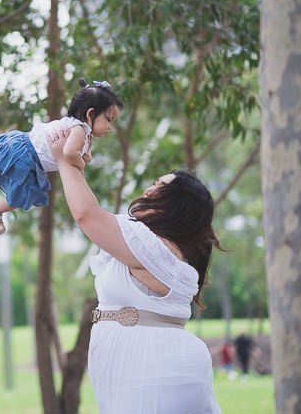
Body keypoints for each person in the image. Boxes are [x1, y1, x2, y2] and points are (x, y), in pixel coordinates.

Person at [48, 127, 222, 413]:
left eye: (159, 186)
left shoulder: (154, 248)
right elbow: (93, 210)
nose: (148, 189)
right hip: (138, 365)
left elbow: (87, 214)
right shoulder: (148, 244)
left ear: (175, 205)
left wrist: (64, 161)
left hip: (152, 367)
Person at [0, 78, 122, 235]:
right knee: (25, 196)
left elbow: (79, 153)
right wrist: (81, 164)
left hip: (21, 143)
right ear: (90, 114)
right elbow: (68, 153)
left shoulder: (78, 129)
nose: (110, 127)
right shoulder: (80, 130)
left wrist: (85, 156)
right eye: (109, 119)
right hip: (30, 160)